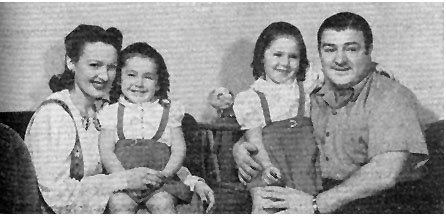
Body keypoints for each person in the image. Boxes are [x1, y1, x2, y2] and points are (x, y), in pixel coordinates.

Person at [233, 12, 429, 213]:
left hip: (379, 202)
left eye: (351, 49)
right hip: (315, 193)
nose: (340, 59)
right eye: (330, 49)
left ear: (368, 51)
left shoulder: (390, 95)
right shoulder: (313, 93)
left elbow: (385, 173)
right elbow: (274, 126)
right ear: (320, 53)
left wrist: (316, 204)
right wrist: (241, 148)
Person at [24, 24, 165, 213]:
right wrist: (123, 180)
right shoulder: (54, 116)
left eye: (112, 67)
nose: (104, 76)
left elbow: (152, 152)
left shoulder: (106, 110)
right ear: (71, 63)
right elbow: (59, 196)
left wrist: (192, 181)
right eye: (94, 65)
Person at [98, 42, 215, 213]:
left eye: (148, 77)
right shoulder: (111, 113)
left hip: (161, 183)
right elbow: (106, 151)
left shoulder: (168, 112)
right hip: (125, 181)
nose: (139, 83)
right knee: (119, 203)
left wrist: (165, 174)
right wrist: (124, 178)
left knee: (162, 202)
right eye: (131, 75)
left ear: (158, 83)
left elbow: (178, 149)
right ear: (119, 79)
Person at [232, 22, 321, 213]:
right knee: (267, 207)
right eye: (277, 55)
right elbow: (254, 139)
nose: (285, 63)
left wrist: (372, 67)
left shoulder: (304, 87)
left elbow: (336, 73)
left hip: (303, 166)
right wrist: (266, 166)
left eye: (293, 57)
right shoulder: (252, 97)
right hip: (271, 167)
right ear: (262, 56)